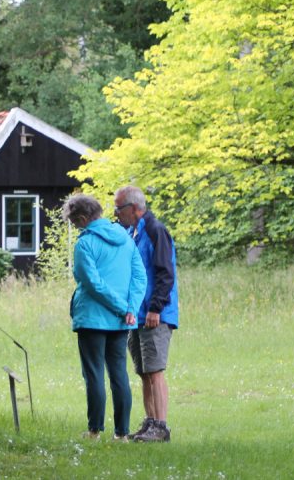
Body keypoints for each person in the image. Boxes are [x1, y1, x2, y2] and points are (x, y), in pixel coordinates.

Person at [63, 193, 147, 441]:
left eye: (74, 222)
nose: (75, 227)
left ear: (82, 218)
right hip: (121, 321)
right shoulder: (126, 239)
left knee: (94, 374)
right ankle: (121, 433)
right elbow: (139, 277)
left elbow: (92, 284)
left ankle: (95, 430)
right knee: (119, 374)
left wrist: (123, 308)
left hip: (92, 319)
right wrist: (130, 308)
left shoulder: (85, 244)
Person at [114, 185, 179, 443]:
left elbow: (165, 272)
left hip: (156, 313)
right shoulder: (133, 232)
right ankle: (150, 422)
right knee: (143, 371)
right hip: (138, 314)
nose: (116, 213)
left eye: (119, 208)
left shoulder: (155, 230)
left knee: (155, 370)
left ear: (133, 208)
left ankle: (161, 426)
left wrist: (156, 308)